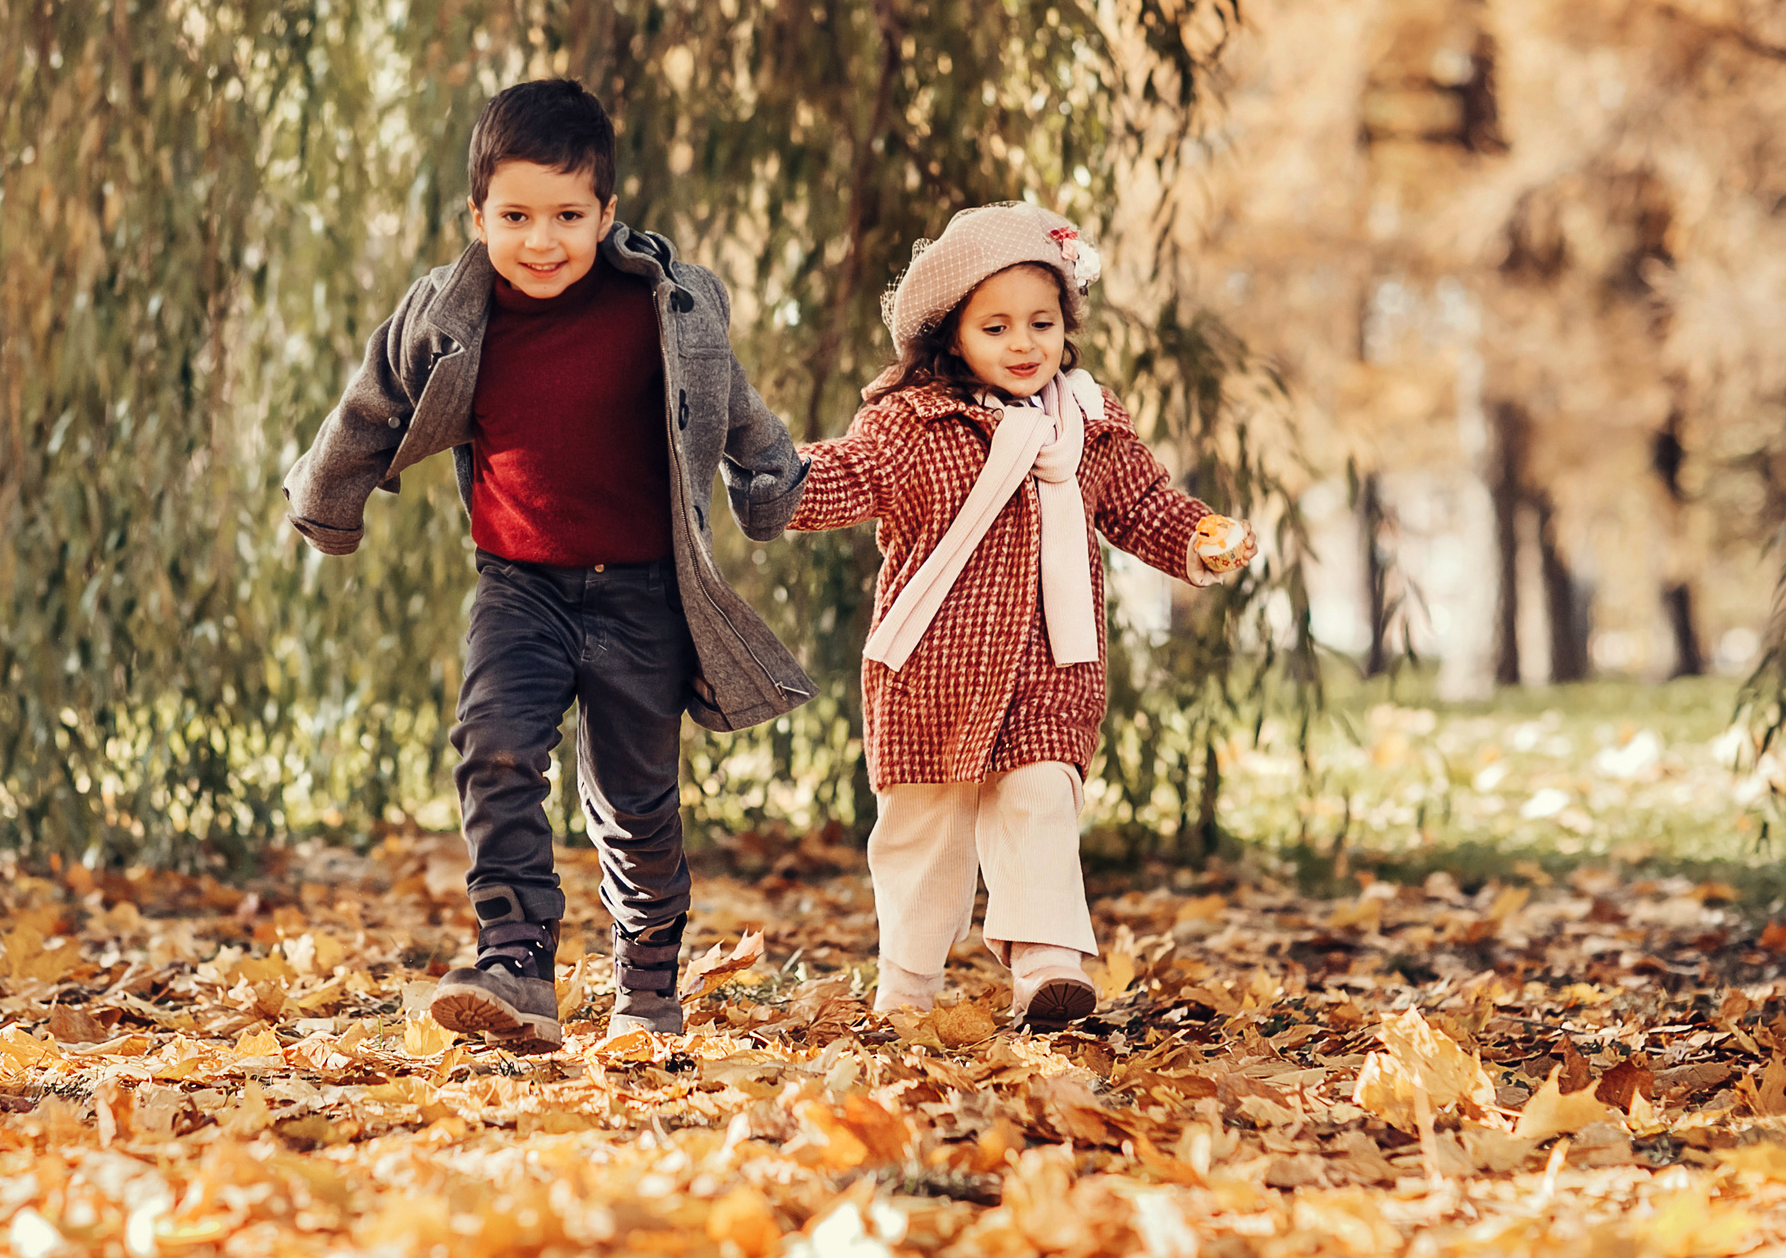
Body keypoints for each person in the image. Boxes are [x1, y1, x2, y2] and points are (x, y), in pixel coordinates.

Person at [283, 79, 814, 1047]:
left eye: (567, 215)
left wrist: (771, 481)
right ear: (476, 215)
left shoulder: (663, 307)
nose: (541, 240)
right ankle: (516, 957)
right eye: (516, 215)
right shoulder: (449, 312)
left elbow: (734, 405)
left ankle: (647, 978)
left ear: (607, 214)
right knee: (492, 744)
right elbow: (371, 404)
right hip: (517, 585)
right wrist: (328, 502)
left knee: (635, 801)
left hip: (645, 591)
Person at [786, 203, 1257, 1027]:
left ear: (1066, 327)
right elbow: (850, 473)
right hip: (933, 670)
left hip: (1050, 665)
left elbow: (1142, 503)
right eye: (995, 325)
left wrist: (1199, 535)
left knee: (1041, 798)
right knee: (924, 835)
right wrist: (779, 478)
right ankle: (907, 990)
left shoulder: (1089, 424)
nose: (1023, 343)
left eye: (1041, 322)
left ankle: (1047, 970)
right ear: (952, 334)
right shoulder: (915, 423)